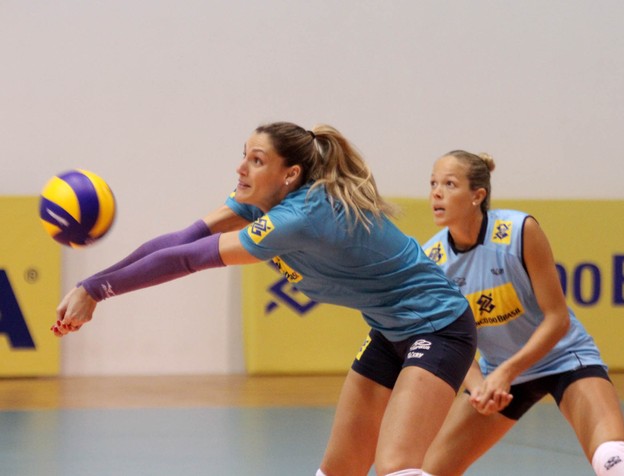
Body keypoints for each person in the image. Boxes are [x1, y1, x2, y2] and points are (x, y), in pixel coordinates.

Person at [52, 122, 477, 476]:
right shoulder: (258, 202)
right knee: (338, 471)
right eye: (244, 155)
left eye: (256, 160)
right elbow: (180, 240)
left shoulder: (301, 216)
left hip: (438, 327)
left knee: (397, 468)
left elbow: (186, 259)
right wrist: (91, 286)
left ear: (289, 174)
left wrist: (95, 292)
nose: (240, 167)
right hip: (388, 330)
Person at [419, 150, 624, 476]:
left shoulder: (519, 231)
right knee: (429, 471)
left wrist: (507, 373)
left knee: (613, 457)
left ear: (477, 195)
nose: (436, 193)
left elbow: (558, 319)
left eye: (449, 184)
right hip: (498, 374)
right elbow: (447, 338)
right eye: (432, 184)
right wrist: (478, 385)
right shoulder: (433, 259)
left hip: (565, 358)